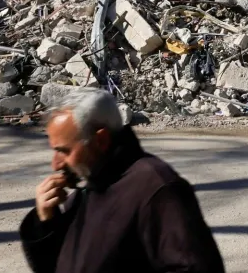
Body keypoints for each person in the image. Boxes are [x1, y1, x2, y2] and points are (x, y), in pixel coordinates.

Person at [19, 89, 225, 273]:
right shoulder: (90, 191)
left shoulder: (156, 188)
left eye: (63, 151)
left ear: (100, 140)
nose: (56, 165)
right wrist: (46, 223)